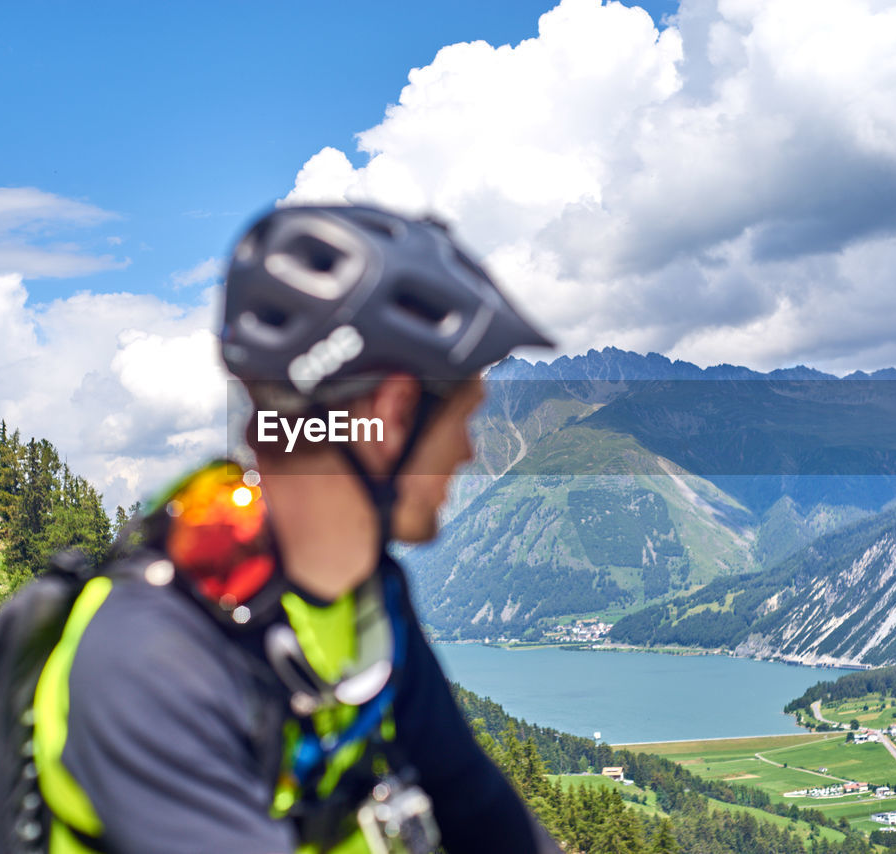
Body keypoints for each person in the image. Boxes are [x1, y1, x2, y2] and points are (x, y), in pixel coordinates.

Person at [31, 205, 562, 853]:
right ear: (393, 410)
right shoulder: (148, 657)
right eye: (463, 417)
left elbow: (478, 808)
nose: (469, 453)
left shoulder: (366, 597)